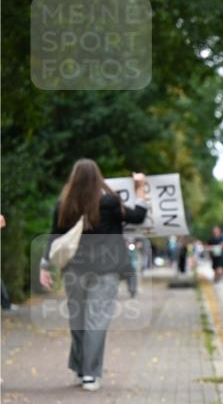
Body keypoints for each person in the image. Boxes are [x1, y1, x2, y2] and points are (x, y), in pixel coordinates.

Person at [39, 160, 149, 391]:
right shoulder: (109, 202)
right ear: (98, 177)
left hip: (73, 270)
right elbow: (138, 216)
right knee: (96, 321)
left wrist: (44, 266)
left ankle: (80, 369)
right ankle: (90, 374)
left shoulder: (64, 205)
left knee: (78, 321)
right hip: (105, 271)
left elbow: (53, 236)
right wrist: (139, 188)